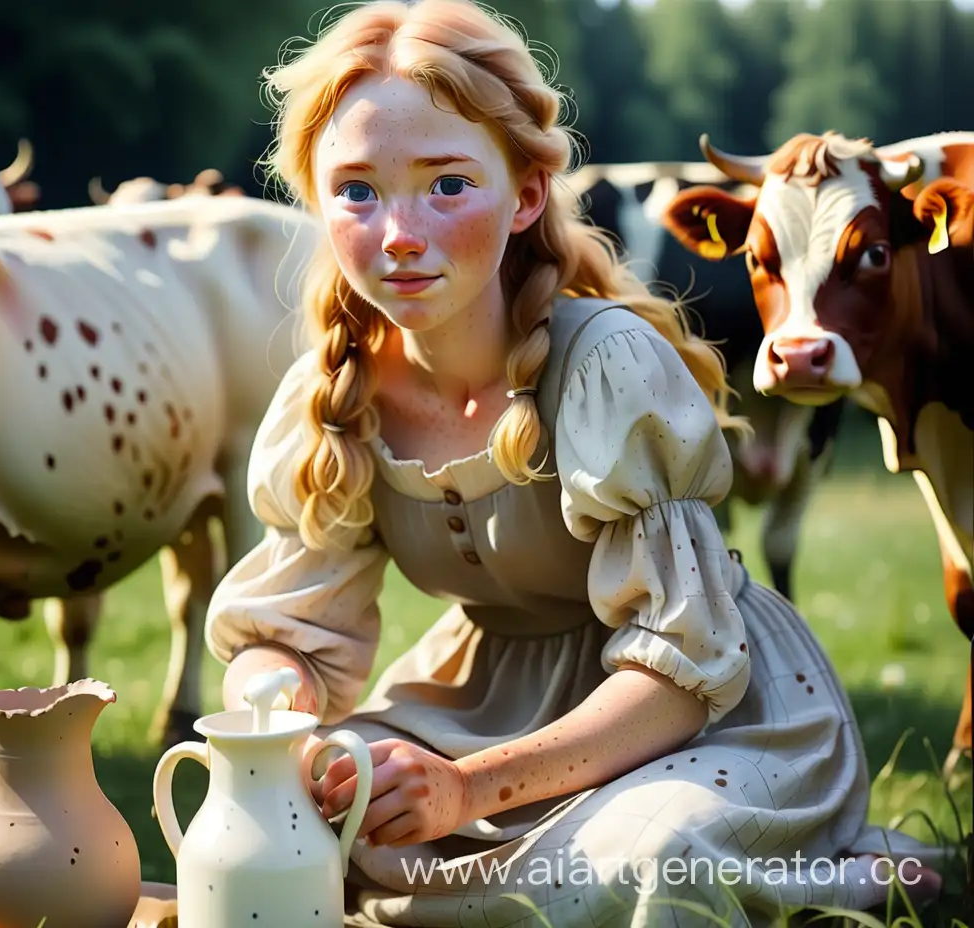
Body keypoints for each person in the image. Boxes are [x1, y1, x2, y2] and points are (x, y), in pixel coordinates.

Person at [202, 1, 948, 924]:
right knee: (315, 829)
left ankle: (852, 876)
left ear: (523, 195)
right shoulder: (333, 391)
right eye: (357, 189)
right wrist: (282, 719)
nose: (398, 231)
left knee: (651, 857)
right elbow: (287, 631)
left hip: (702, 711)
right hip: (483, 710)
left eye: (445, 185)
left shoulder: (602, 363)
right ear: (316, 202)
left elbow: (680, 676)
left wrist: (466, 791)